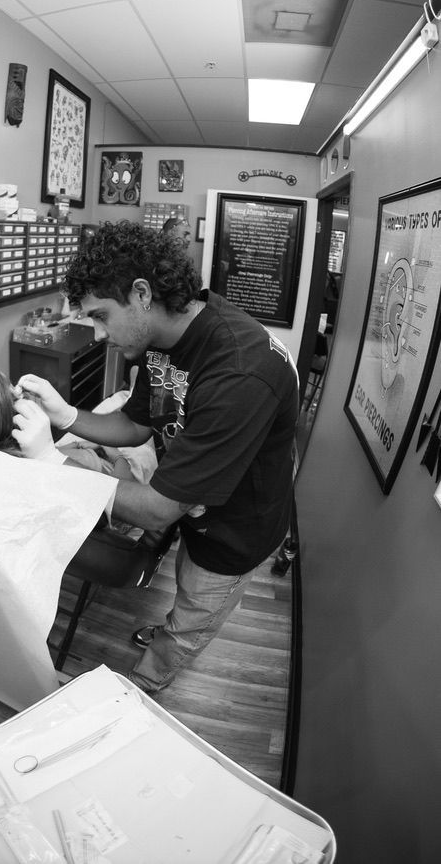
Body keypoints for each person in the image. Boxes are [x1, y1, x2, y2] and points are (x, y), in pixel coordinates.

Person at [16, 220, 299, 696]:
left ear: (142, 294)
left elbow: (157, 506)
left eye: (102, 316)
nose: (100, 334)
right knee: (180, 591)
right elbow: (134, 425)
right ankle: (168, 627)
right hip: (192, 499)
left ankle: (143, 688)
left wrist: (52, 463)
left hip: (234, 532)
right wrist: (65, 416)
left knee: (191, 616)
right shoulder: (160, 341)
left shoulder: (240, 371)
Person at [0, 354, 135, 479]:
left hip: (77, 452)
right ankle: (131, 393)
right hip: (109, 473)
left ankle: (132, 393)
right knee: (122, 408)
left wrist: (64, 446)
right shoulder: (59, 467)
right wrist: (117, 456)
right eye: (6, 383)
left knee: (115, 409)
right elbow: (115, 503)